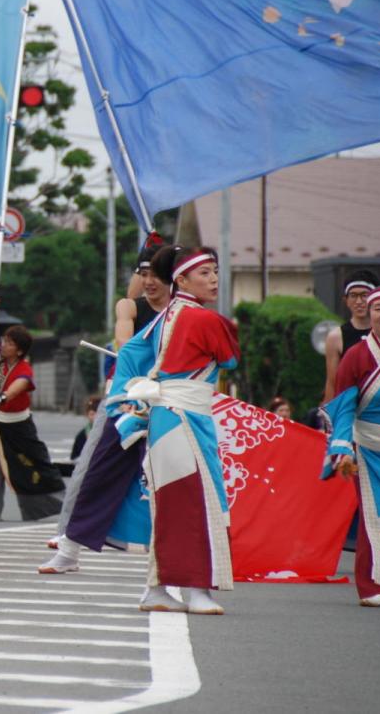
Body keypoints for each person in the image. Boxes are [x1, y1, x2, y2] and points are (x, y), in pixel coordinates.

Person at [118, 245, 240, 615]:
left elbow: (129, 355)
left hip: (168, 416)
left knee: (175, 506)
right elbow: (231, 359)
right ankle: (197, 590)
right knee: (196, 503)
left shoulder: (165, 316)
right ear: (181, 279)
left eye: (215, 270)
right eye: (204, 273)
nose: (214, 278)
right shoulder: (204, 319)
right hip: (184, 416)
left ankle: (159, 588)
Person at [41, 243, 170, 568]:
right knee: (93, 469)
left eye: (157, 274)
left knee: (174, 480)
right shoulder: (130, 307)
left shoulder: (185, 313)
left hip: (170, 402)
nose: (149, 280)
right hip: (127, 402)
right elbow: (125, 344)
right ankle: (68, 545)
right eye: (144, 274)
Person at [322, 285, 380, 608]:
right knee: (374, 518)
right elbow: (343, 405)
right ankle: (375, 585)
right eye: (379, 309)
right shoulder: (355, 356)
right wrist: (342, 447)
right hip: (369, 449)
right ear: (369, 314)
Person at [0, 325, 66, 520]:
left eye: (9, 343)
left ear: (19, 350)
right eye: (4, 341)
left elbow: (18, 387)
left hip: (17, 426)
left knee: (28, 469)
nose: (4, 345)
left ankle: (65, 506)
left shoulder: (24, 369)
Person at [323, 269, 380, 402]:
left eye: (364, 295)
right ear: (346, 300)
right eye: (353, 295)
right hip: (350, 407)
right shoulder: (336, 337)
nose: (359, 301)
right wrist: (329, 416)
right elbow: (332, 382)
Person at [70, 396, 101, 462]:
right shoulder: (82, 435)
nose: (95, 417)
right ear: (87, 415)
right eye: (92, 414)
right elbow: (74, 457)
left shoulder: (109, 432)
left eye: (98, 414)